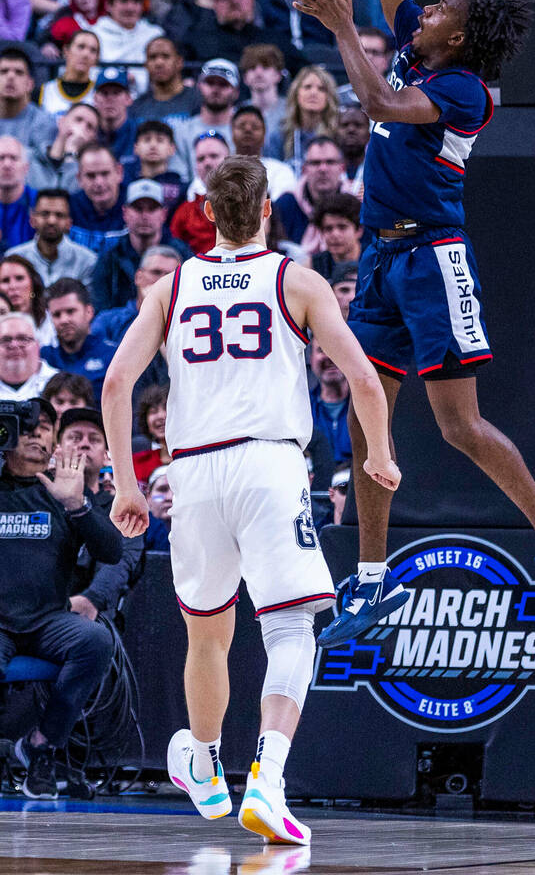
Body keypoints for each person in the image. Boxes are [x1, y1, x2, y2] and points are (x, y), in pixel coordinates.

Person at [292, 0, 535, 648]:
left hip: (436, 258)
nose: (425, 6)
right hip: (384, 264)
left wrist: (343, 29)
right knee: (365, 416)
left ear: (459, 39)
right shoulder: (415, 41)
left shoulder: (463, 88)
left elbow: (377, 96)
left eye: (441, 9)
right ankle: (375, 577)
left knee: (456, 425)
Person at [103, 154, 400, 843]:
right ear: (269, 209)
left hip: (194, 471)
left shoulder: (171, 287)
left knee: (207, 634)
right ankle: (267, 777)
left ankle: (205, 764)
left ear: (205, 212)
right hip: (268, 464)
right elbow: (361, 377)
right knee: (292, 628)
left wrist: (124, 482)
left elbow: (116, 387)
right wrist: (379, 452)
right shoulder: (296, 280)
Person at [0, 397, 120, 799]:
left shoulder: (65, 490)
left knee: (96, 640)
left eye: (46, 428)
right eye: (27, 426)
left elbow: (113, 552)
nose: (37, 433)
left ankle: (41, 745)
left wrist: (77, 505)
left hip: (47, 620)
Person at [58, 405, 144, 622]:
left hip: (94, 617)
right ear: (56, 448)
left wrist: (92, 599)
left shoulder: (122, 507)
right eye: (75, 437)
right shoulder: (38, 499)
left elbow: (123, 559)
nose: (84, 443)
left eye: (94, 439)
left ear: (107, 457)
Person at [90, 179, 189, 313]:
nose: (145, 215)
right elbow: (101, 309)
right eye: (138, 208)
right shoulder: (110, 259)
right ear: (125, 213)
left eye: (152, 208)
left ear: (164, 214)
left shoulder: (184, 256)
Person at [41, 278, 117, 402]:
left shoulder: (114, 356)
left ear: (89, 311)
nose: (64, 320)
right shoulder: (44, 358)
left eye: (70, 311)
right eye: (57, 315)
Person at [7, 189, 97, 286]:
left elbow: (87, 299)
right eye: (45, 214)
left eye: (59, 215)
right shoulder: (14, 258)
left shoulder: (87, 261)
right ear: (32, 220)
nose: (51, 221)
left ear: (69, 223)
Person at [172, 59, 238, 179]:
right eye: (210, 83)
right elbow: (180, 178)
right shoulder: (182, 131)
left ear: (236, 91)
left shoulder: (246, 132)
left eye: (223, 84)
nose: (216, 89)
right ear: (199, 87)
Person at [170, 132, 230, 256]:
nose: (207, 163)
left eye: (214, 156)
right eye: (200, 159)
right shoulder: (185, 212)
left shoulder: (249, 202)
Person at [68, 143, 127, 253]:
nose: (99, 183)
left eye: (105, 174)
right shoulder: (68, 208)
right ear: (79, 178)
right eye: (91, 175)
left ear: (119, 172)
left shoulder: (136, 206)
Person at [230, 106, 294, 201]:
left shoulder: (280, 171)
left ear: (264, 134)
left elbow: (279, 205)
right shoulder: (219, 169)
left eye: (255, 127)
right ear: (232, 133)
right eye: (241, 126)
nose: (248, 130)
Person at [0, 47, 56, 152]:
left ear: (30, 84)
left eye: (19, 72)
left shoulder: (44, 124)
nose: (11, 76)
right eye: (3, 71)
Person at [309, 341, 351, 473]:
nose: (330, 356)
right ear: (311, 357)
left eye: (337, 348)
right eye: (322, 350)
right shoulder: (300, 408)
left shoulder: (368, 408)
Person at [38, 29, 99, 118]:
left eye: (93, 50)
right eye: (81, 47)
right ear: (66, 50)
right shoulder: (45, 90)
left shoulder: (99, 93)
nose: (86, 54)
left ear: (97, 59)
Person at [0, 314, 57, 400]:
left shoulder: (60, 383)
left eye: (23, 339)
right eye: (6, 340)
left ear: (38, 345)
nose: (14, 345)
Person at [0, 255, 54, 346]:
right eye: (5, 280)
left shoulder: (52, 321)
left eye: (19, 278)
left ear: (33, 283)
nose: (13, 286)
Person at [312, 192, 363, 281]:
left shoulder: (375, 263)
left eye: (342, 227)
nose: (335, 234)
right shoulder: (312, 267)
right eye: (328, 228)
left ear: (359, 230)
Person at [0, 135, 36, 248]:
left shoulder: (39, 203)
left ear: (26, 168)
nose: (7, 165)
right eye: (1, 158)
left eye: (14, 158)